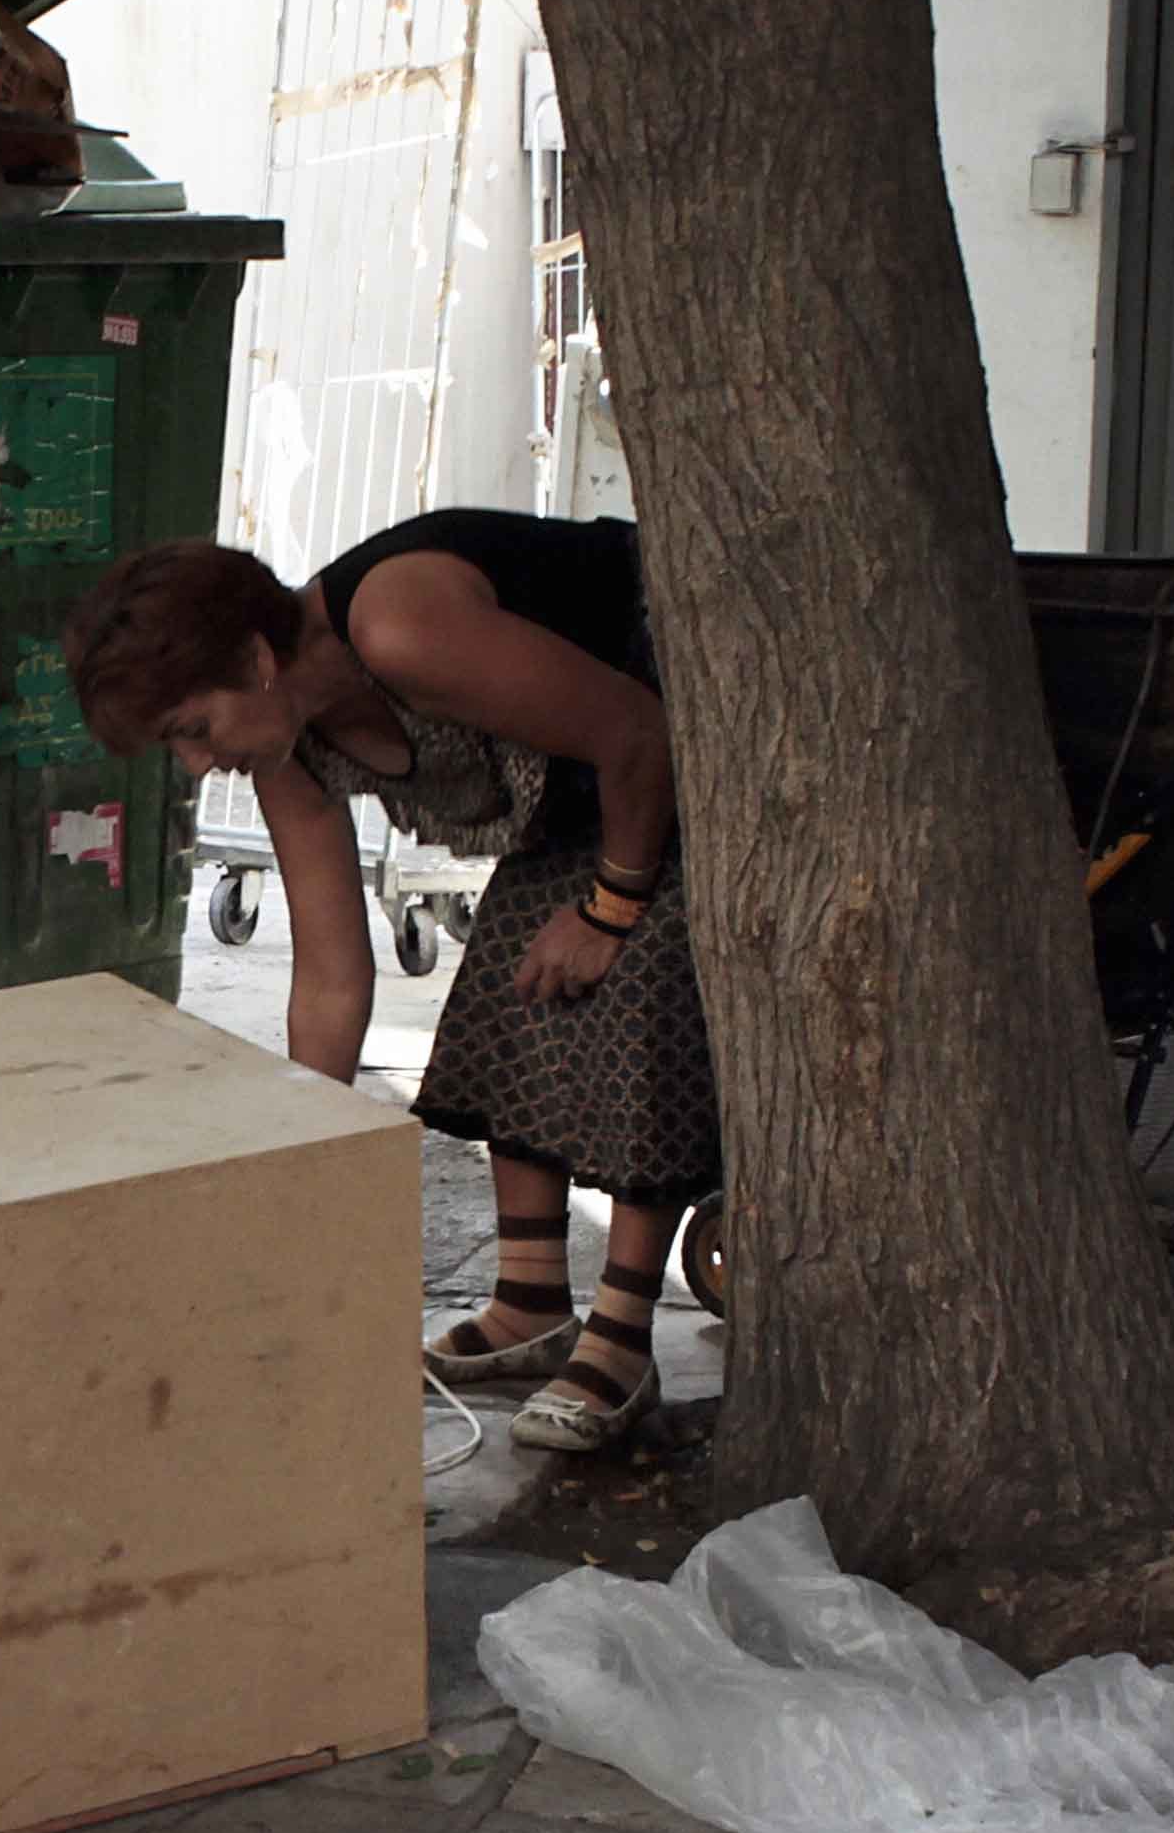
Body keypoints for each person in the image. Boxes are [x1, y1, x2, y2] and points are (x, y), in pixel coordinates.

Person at [65, 513, 716, 1452]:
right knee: (509, 973)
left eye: (193, 730)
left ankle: (624, 1329)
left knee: (640, 985)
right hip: (597, 780)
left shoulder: (400, 629)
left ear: (256, 658)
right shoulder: (288, 748)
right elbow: (331, 980)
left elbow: (636, 733)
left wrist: (612, 910)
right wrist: (301, 1165)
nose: (200, 766)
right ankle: (531, 1303)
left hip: (684, 723)